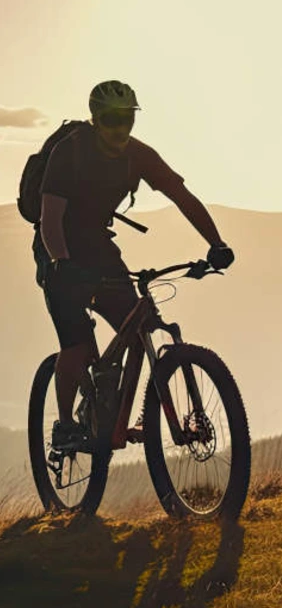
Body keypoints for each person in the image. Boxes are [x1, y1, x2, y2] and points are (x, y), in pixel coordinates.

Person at [34, 80, 235, 450]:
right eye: (112, 119)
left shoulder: (139, 156)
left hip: (97, 244)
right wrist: (61, 264)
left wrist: (216, 243)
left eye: (128, 118)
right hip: (57, 248)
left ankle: (116, 391)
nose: (120, 128)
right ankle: (64, 426)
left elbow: (182, 197)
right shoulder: (70, 152)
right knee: (76, 344)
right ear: (96, 119)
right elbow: (50, 219)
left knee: (135, 322)